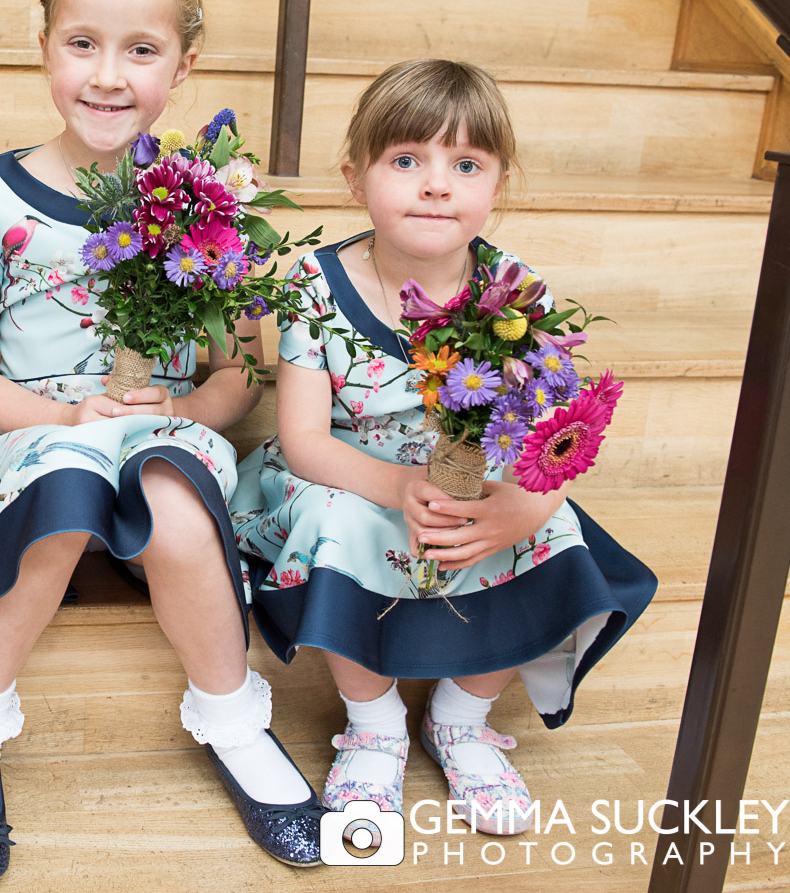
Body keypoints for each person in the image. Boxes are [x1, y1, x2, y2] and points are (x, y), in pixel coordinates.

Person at [0, 0, 324, 887]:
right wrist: (69, 422)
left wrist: (184, 403)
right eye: (84, 44)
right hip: (31, 438)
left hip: (160, 435)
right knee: (66, 489)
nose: (109, 76)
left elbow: (241, 375)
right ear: (45, 44)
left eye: (141, 51)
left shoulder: (208, 201)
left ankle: (234, 720)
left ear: (185, 63)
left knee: (177, 503)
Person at [232, 58, 657, 835]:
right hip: (348, 472)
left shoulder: (520, 294)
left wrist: (526, 508)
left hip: (469, 474)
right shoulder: (316, 286)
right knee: (340, 523)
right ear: (355, 177)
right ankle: (374, 723)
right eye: (406, 160)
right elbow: (301, 440)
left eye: (466, 164)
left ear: (497, 186)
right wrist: (396, 487)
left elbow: (551, 443)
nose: (437, 184)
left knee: (549, 528)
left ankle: (462, 715)